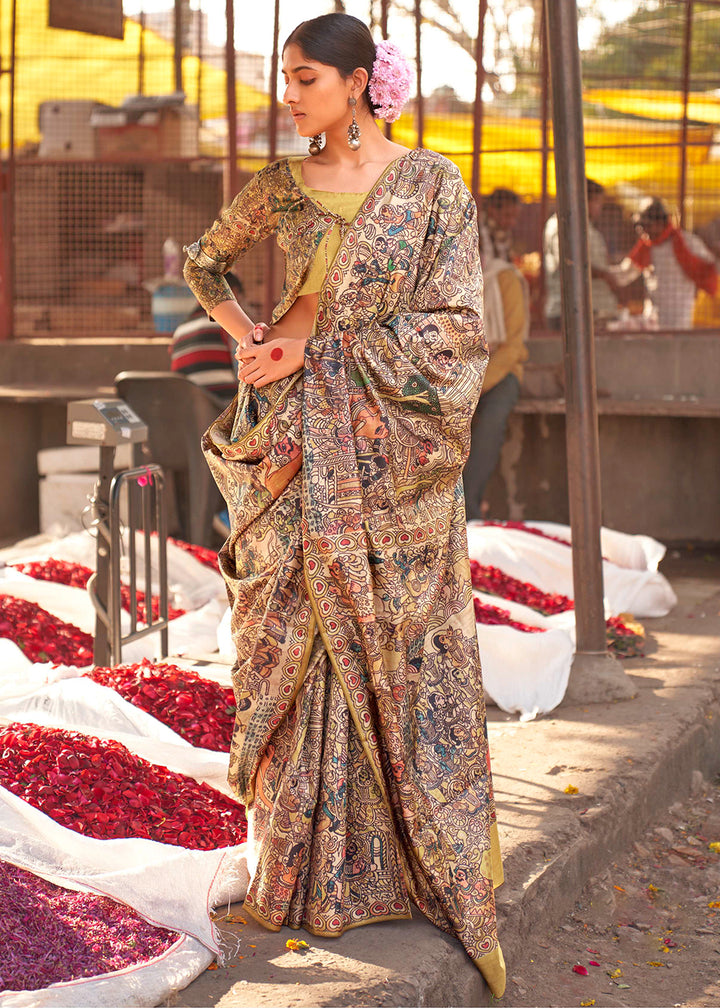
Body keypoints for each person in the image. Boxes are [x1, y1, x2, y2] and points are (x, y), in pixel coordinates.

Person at [183, 13, 504, 995]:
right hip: (289, 447)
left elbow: (457, 328)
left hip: (385, 464)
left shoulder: (431, 186)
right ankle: (291, 870)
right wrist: (250, 336)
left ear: (364, 81)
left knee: (395, 656)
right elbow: (206, 264)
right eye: (285, 77)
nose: (290, 93)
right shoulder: (278, 187)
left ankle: (401, 869)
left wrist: (321, 349)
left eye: (307, 77)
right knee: (284, 643)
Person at [464, 256, 529, 520]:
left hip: (502, 374)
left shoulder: (505, 278)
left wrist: (477, 386)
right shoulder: (449, 280)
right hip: (459, 375)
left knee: (491, 423)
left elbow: (513, 347)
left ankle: (470, 510)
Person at [620, 197, 718, 330]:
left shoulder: (686, 242)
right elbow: (623, 275)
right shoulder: (646, 246)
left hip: (680, 320)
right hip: (653, 320)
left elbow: (712, 267)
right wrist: (600, 272)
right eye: (640, 226)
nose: (642, 231)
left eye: (646, 225)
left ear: (660, 223)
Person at [544, 178, 622, 328]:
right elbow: (569, 264)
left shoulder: (585, 227)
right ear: (584, 200)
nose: (600, 207)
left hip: (593, 308)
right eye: (597, 202)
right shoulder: (562, 225)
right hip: (571, 312)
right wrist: (605, 275)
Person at [168, 271, 244, 407]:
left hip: (187, 410)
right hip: (222, 409)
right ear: (230, 292)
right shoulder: (227, 324)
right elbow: (243, 369)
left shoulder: (179, 331)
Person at [480, 187, 520, 263]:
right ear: (491, 209)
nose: (512, 222)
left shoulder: (503, 232)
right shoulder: (477, 230)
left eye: (515, 217)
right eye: (507, 215)